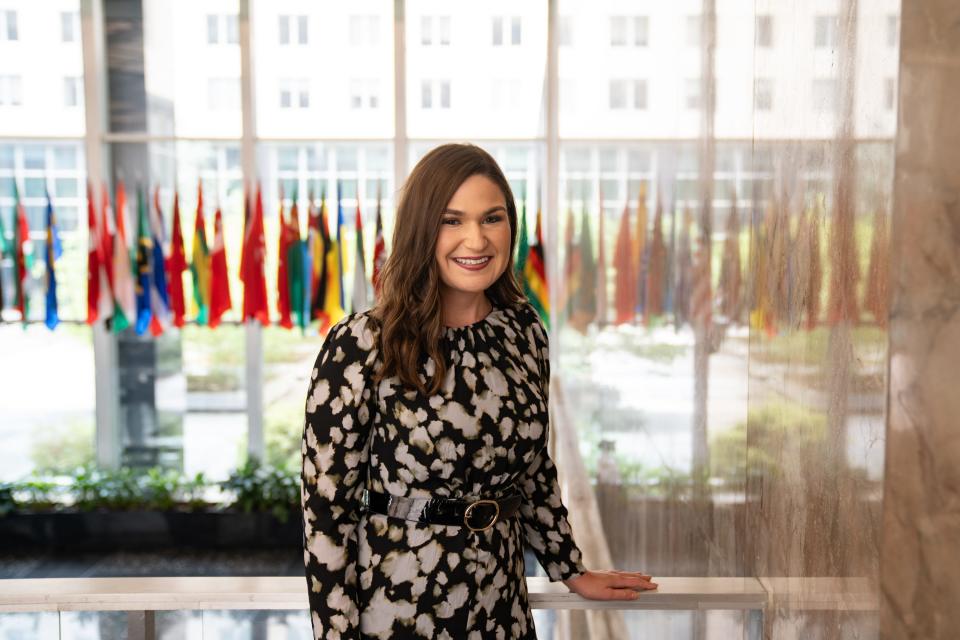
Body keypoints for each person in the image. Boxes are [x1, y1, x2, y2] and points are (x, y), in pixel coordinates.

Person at [301, 143, 657, 639]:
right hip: (400, 610)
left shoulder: (524, 331)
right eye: (452, 221)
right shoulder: (362, 344)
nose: (476, 238)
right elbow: (326, 512)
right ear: (423, 229)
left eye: (492, 218)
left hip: (502, 606)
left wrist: (570, 569)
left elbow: (532, 469)